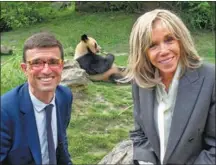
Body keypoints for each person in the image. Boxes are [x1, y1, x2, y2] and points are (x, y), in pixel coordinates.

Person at [123, 9, 215, 164]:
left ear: (181, 40)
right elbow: (140, 133)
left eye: (169, 39)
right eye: (152, 45)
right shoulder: (140, 82)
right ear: (142, 52)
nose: (164, 51)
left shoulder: (210, 79)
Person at [0, 32, 73, 165]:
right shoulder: (4, 111)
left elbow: (60, 142)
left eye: (53, 62)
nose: (46, 70)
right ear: (24, 68)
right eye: (36, 63)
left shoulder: (65, 96)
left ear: (61, 66)